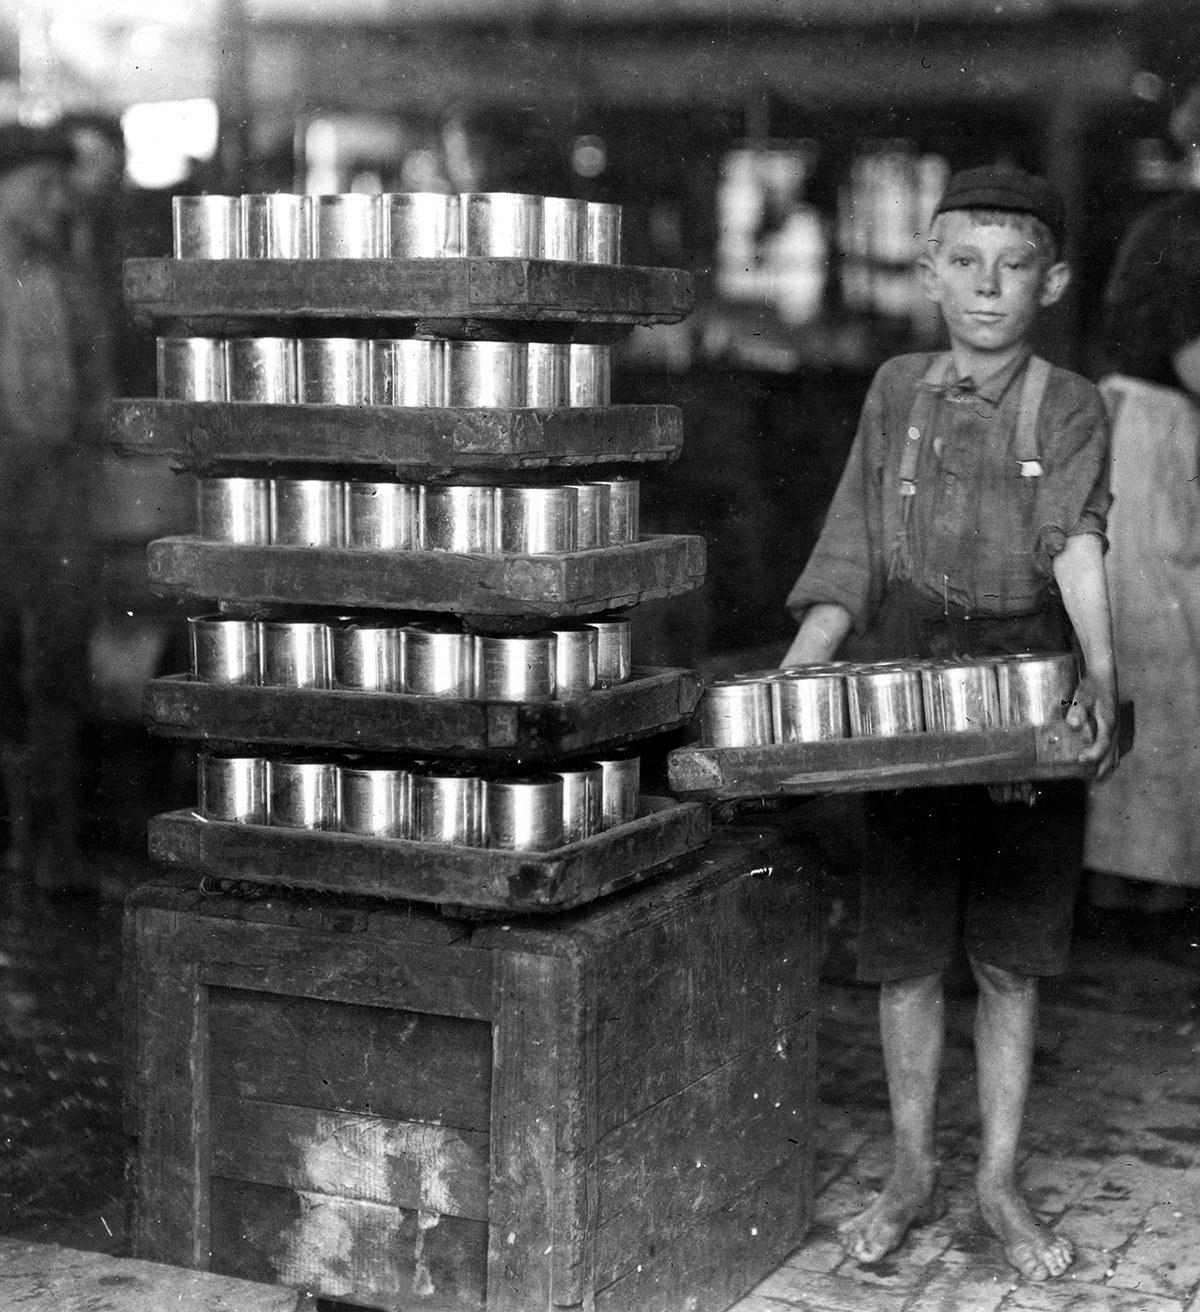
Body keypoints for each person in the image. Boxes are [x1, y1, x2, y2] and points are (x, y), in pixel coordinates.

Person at [782, 165, 1118, 1282]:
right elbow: (853, 547)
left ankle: (998, 1180)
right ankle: (914, 1168)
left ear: (1051, 280)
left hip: (1026, 692)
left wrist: (1100, 683)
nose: (988, 286)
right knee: (908, 955)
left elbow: (1076, 546)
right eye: (963, 262)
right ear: (928, 272)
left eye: (1014, 265)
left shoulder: (1069, 405)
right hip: (911, 692)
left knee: (1013, 960)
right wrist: (798, 676)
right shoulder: (896, 391)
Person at [1081, 183, 1200, 908]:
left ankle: (1135, 880)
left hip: (1140, 435)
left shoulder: (1166, 220)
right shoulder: (1188, 230)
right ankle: (1146, 887)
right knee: (1163, 665)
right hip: (1156, 447)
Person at [0, 122, 110, 893]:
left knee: (59, 679)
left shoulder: (69, 278)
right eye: (41, 186)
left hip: (60, 502)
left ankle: (54, 856)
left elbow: (92, 386)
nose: (56, 201)